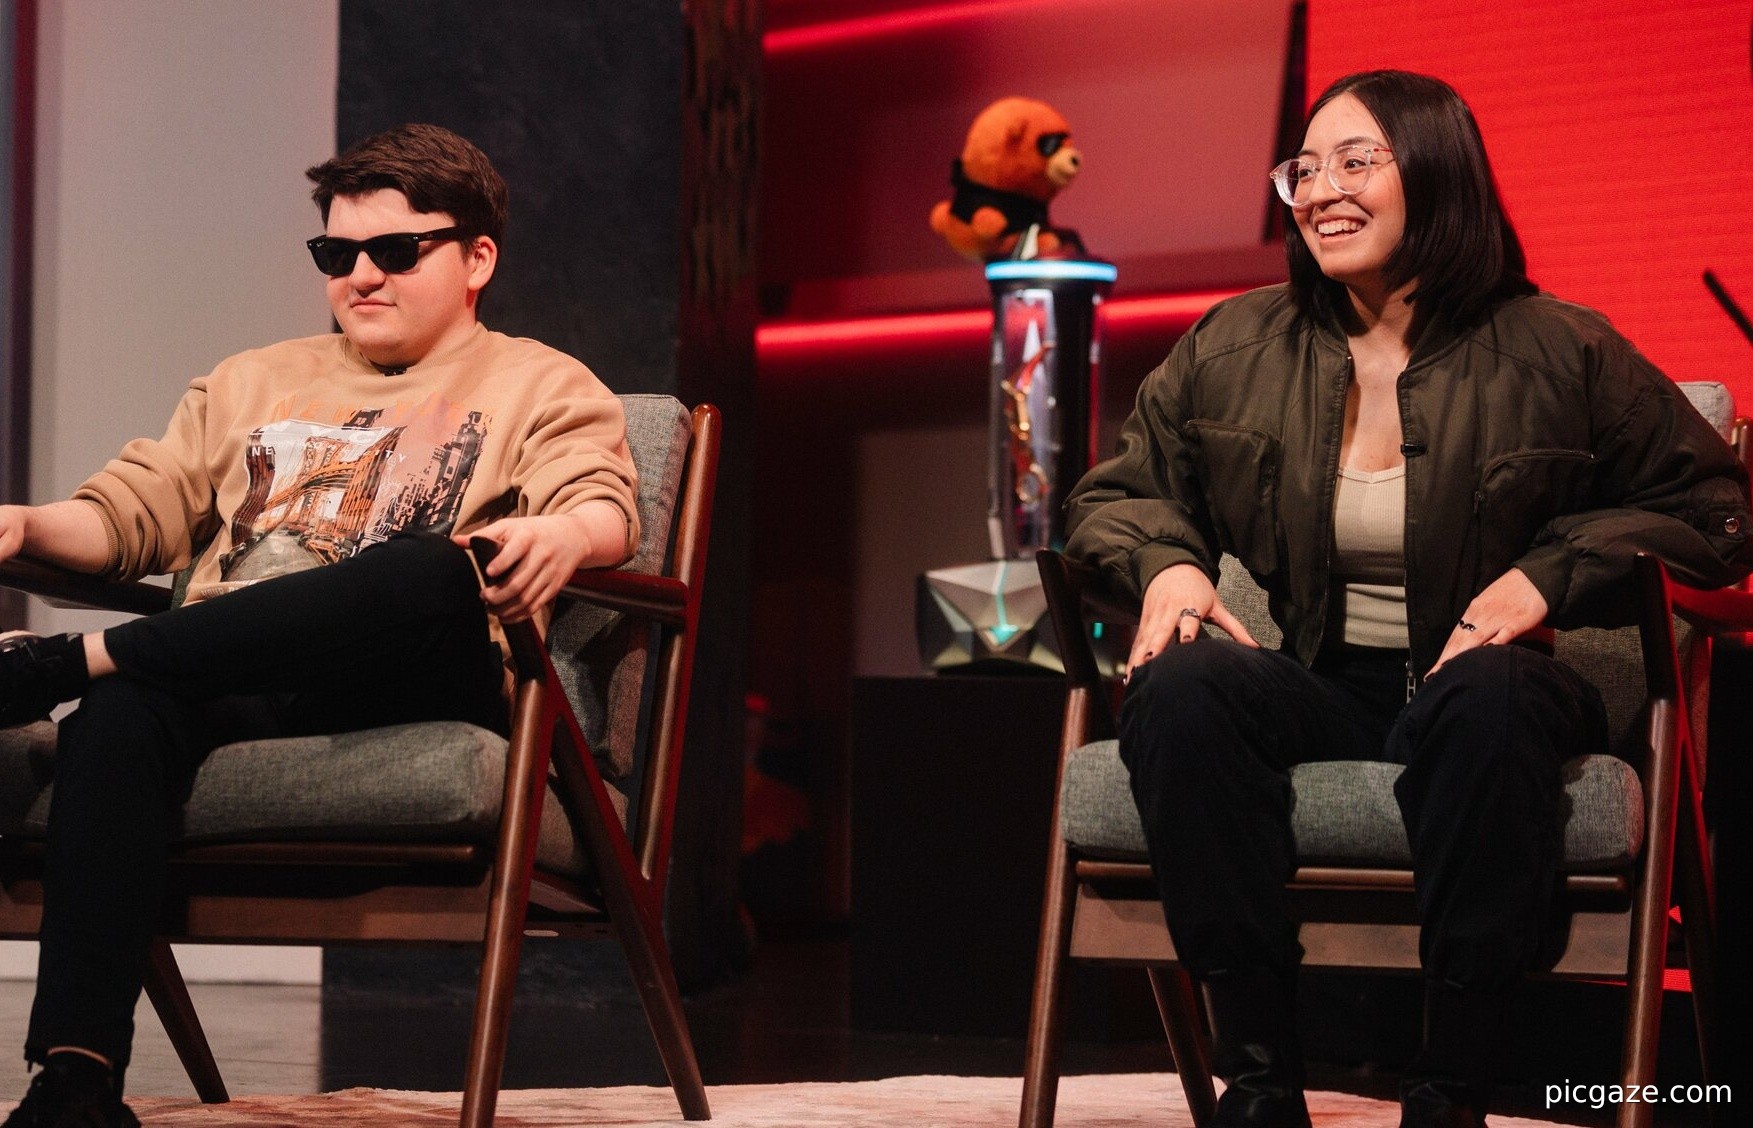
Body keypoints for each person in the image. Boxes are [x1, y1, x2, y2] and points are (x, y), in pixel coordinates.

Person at [1064, 70, 1752, 1128]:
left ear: (1435, 171)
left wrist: (1545, 574)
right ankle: (1256, 1083)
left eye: (1354, 161)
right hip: (1324, 686)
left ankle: (1450, 1091)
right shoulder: (1233, 346)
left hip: (1496, 690)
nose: (1320, 191)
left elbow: (1716, 513)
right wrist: (1167, 563)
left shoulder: (1558, 348)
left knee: (1487, 700)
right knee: (1183, 688)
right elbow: (1116, 496)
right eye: (1303, 169)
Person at [0, 123, 639, 1128]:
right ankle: (75, 1081)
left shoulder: (540, 382)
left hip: (412, 675)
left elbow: (603, 504)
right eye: (336, 254)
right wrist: (28, 525)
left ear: (477, 258)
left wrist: (566, 532)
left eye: (395, 251)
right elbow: (132, 515)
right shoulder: (249, 380)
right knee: (118, 718)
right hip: (234, 668)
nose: (360, 277)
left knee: (433, 569)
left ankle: (67, 661)